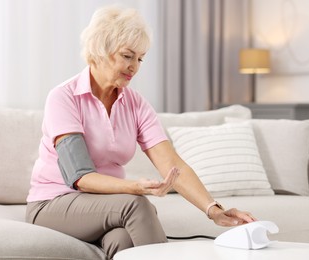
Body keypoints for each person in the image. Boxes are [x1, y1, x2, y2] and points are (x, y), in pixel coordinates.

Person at [26, 5, 256, 260]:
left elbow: (172, 165)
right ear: (101, 50)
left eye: (140, 58)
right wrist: (134, 187)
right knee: (136, 206)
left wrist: (213, 209)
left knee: (123, 239)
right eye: (127, 55)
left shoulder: (135, 104)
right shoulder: (64, 97)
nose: (134, 66)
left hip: (106, 207)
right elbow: (80, 177)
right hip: (54, 204)